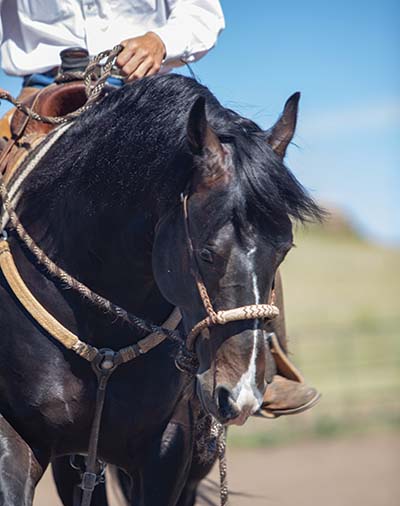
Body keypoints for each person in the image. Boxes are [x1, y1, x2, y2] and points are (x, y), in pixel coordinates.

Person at [0, 0, 319, 416]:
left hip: (149, 98)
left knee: (243, 197)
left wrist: (159, 40)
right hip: (43, 96)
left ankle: (260, 361)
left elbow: (202, 13)